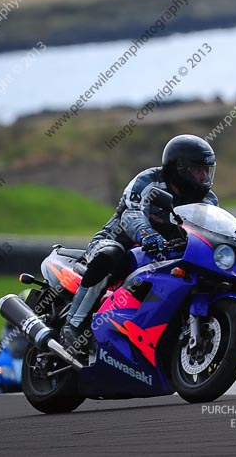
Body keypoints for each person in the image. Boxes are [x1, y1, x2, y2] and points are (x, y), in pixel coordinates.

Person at [61, 135, 218, 351]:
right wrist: (148, 235)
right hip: (117, 242)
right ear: (180, 169)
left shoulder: (208, 200)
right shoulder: (148, 181)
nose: (203, 177)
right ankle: (74, 325)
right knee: (111, 254)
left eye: (206, 171)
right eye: (197, 170)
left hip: (164, 254)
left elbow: (213, 230)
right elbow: (131, 214)